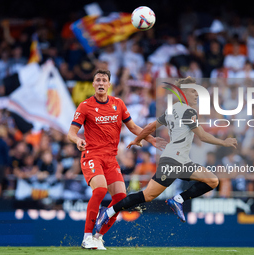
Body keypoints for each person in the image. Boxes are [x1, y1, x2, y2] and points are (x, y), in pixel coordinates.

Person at [95, 76, 237, 232]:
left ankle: (178, 200)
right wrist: (224, 143)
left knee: (212, 180)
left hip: (181, 160)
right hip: (173, 161)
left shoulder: (172, 110)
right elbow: (202, 136)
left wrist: (138, 139)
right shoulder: (188, 112)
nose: (196, 95)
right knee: (147, 195)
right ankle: (108, 211)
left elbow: (150, 127)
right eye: (192, 91)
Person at [67, 69, 165, 250]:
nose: (101, 83)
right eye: (98, 80)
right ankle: (86, 236)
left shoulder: (118, 104)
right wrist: (78, 140)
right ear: (94, 84)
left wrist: (150, 139)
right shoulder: (85, 106)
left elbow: (133, 127)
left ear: (109, 84)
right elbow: (71, 133)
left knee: (120, 198)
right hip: (92, 155)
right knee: (100, 189)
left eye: (104, 80)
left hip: (111, 159)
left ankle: (98, 236)